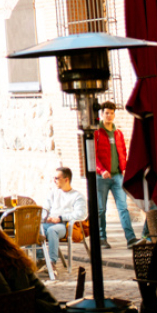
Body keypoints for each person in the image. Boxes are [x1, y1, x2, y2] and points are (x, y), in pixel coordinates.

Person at [94, 106, 136, 247]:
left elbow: (123, 151)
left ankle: (130, 238)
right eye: (107, 113)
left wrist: (124, 168)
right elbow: (92, 156)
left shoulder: (118, 133)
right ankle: (101, 238)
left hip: (117, 176)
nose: (109, 116)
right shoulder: (97, 133)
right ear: (102, 114)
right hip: (102, 178)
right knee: (101, 209)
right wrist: (101, 170)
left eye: (112, 113)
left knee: (123, 208)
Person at [42, 166, 87, 271]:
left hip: (64, 225)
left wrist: (61, 218)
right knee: (32, 229)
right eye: (54, 178)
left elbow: (81, 214)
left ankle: (51, 262)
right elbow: (44, 209)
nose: (54, 181)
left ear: (66, 179)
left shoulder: (77, 196)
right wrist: (46, 217)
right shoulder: (53, 193)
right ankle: (41, 259)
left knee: (52, 230)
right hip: (49, 222)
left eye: (57, 178)